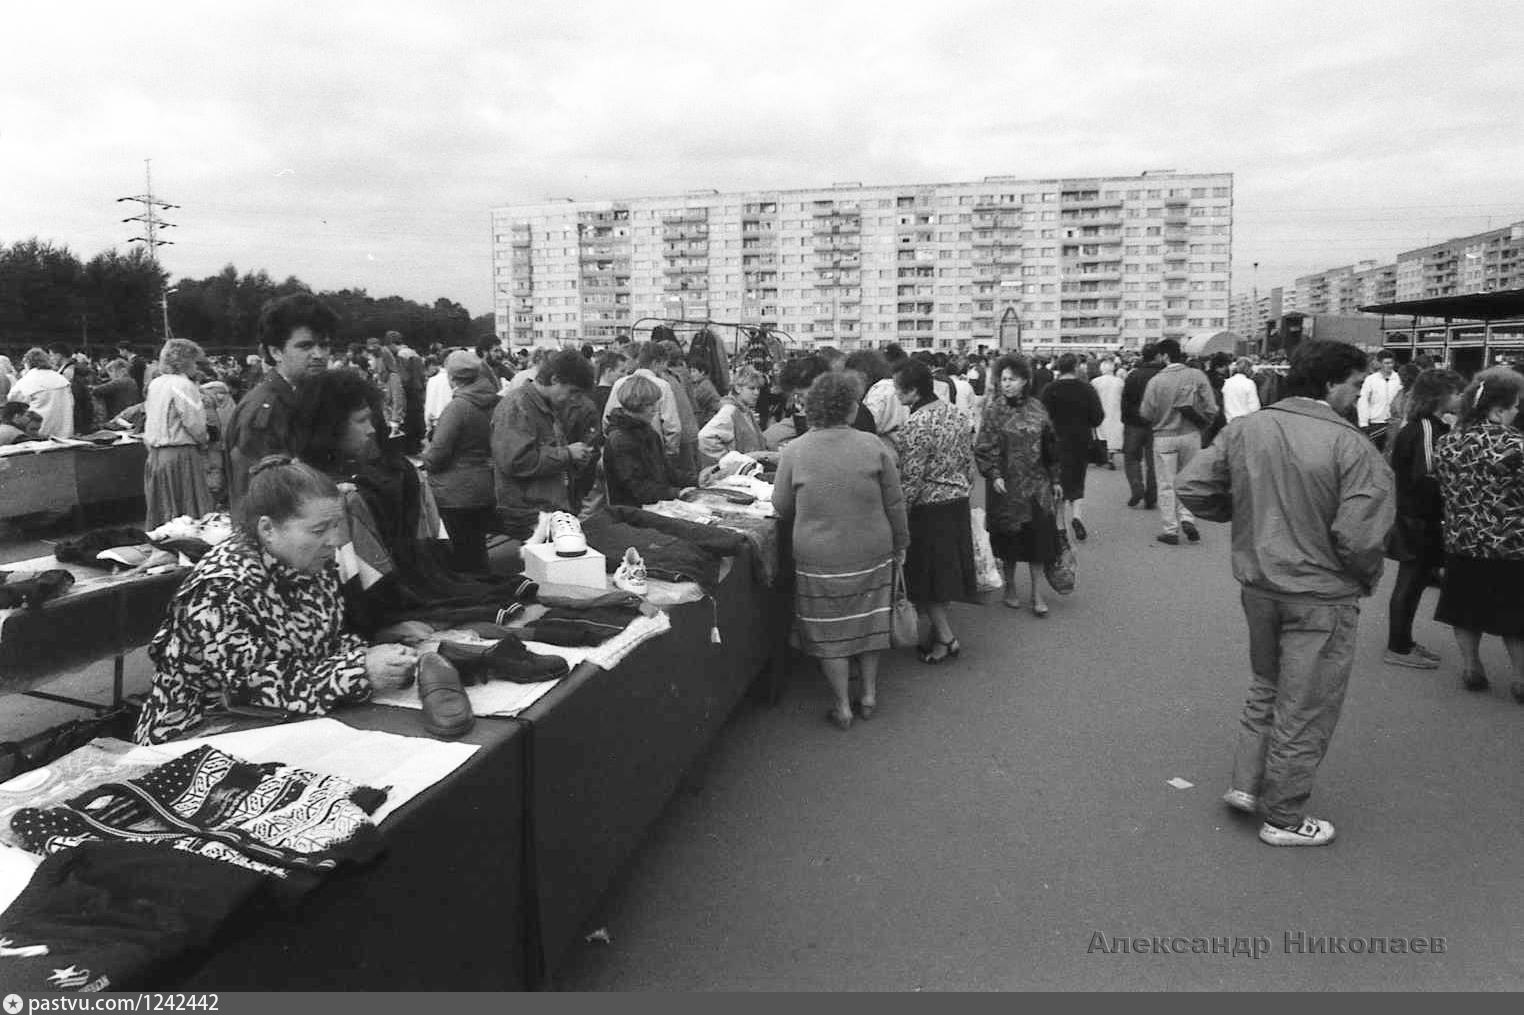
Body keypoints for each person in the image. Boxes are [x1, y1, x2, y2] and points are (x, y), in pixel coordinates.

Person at [1177, 339, 1394, 847]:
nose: (1358, 396)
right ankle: (1286, 817)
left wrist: (1244, 514)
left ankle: (1246, 784)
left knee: (1266, 686)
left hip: (1260, 585)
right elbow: (1360, 536)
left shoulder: (1246, 429)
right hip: (1321, 594)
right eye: (1356, 385)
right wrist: (1362, 578)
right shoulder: (1354, 446)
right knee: (1307, 704)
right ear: (1330, 383)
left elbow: (1193, 487)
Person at [132, 455, 420, 745]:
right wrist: (360, 670)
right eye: (319, 530)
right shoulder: (222, 588)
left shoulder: (311, 565)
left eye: (336, 526)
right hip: (196, 733)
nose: (334, 540)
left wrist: (375, 651)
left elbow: (326, 643)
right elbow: (251, 689)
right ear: (267, 529)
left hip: (282, 720)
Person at [773, 372, 908, 730]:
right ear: (850, 407)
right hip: (872, 550)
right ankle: (868, 694)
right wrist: (902, 543)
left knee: (830, 631)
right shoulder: (874, 445)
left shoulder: (794, 451)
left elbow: (781, 506)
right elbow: (895, 503)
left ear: (813, 408)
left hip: (820, 557)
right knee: (868, 622)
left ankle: (842, 706)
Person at [1431, 367, 1524, 699]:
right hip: (1511, 545)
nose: (1517, 412)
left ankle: (1472, 667)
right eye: (1516, 406)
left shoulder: (1448, 442)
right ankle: (1521, 679)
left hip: (1461, 540)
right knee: (1516, 615)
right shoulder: (1516, 445)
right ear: (1498, 409)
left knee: (1465, 608)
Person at [892, 358, 978, 664]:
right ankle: (941, 635)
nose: (895, 392)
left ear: (913, 391)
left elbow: (911, 479)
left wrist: (899, 516)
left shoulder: (915, 424)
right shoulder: (955, 414)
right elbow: (969, 463)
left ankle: (946, 638)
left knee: (926, 580)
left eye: (898, 388)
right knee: (944, 576)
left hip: (929, 508)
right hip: (957, 502)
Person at [1383, 368, 1464, 670]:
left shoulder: (1422, 426)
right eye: (1456, 392)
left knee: (1413, 581)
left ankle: (1402, 641)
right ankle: (1399, 646)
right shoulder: (1427, 429)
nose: (1461, 398)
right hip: (1418, 517)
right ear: (1440, 396)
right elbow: (1429, 473)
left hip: (1412, 514)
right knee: (1410, 581)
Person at [227, 293, 337, 505]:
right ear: (276, 352)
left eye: (324, 345)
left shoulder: (299, 395)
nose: (318, 354)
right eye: (305, 346)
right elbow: (261, 491)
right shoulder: (265, 409)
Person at [975, 355, 1061, 617]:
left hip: (1037, 487)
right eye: (1003, 379)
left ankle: (1036, 593)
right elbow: (984, 447)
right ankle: (1010, 587)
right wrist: (994, 473)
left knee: (1038, 542)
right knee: (1009, 541)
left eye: (1012, 379)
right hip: (1006, 488)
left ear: (1025, 381)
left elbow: (1050, 446)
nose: (1007, 384)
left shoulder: (1038, 408)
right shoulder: (993, 410)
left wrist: (1056, 479)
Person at [492, 348, 594, 541]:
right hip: (527, 514)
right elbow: (515, 461)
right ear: (554, 379)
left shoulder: (545, 406)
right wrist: (567, 454)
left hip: (545, 511)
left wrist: (574, 460)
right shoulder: (517, 406)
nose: (574, 399)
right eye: (573, 391)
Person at [420, 351, 500, 573]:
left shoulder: (458, 408)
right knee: (477, 550)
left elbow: (437, 457)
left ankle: (477, 599)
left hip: (454, 493)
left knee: (462, 558)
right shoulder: (494, 402)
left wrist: (426, 451)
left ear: (452, 378)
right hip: (484, 486)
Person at [1140, 338, 1217, 546]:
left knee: (1166, 484)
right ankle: (1187, 518)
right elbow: (1211, 407)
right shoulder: (1196, 375)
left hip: (1164, 436)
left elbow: (1145, 413)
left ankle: (1170, 529)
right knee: (1188, 480)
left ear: (1164, 356)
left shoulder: (1156, 381)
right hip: (1191, 435)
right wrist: (1202, 423)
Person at [142, 339, 214, 528]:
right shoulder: (184, 385)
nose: (197, 368)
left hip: (156, 455)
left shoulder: (155, 384)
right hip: (181, 454)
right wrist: (204, 440)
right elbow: (194, 422)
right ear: (186, 361)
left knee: (164, 510)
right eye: (196, 362)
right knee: (187, 512)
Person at [1042, 353, 1105, 542]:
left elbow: (1041, 418)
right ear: (1076, 367)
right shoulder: (1087, 389)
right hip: (1080, 440)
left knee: (1058, 481)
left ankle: (1060, 525)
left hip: (1055, 441)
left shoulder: (1049, 389)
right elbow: (1098, 417)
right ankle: (1077, 516)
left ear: (1058, 368)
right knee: (1078, 478)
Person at [603, 374, 682, 507]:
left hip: (653, 507)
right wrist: (675, 493)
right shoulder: (620, 440)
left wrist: (696, 479)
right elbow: (637, 488)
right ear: (636, 405)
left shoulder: (648, 432)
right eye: (650, 405)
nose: (655, 409)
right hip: (633, 513)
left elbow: (667, 471)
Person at [1120, 342, 1164, 509]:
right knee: (1153, 462)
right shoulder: (1162, 375)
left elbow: (1125, 400)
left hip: (1134, 423)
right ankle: (1151, 496)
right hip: (1156, 423)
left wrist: (1125, 420)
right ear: (1158, 356)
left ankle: (1137, 486)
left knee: (1131, 457)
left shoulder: (1133, 375)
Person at [697, 364, 768, 463]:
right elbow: (704, 437)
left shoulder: (744, 410)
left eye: (758, 388)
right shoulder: (730, 411)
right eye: (751, 388)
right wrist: (729, 460)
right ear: (738, 388)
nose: (756, 393)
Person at [8, 347, 74, 438]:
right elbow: (72, 403)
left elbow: (12, 402)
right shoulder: (62, 379)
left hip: (38, 434)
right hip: (64, 433)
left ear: (28, 363)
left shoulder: (26, 381)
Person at [1357, 352, 1402, 450]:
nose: (1390, 366)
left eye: (1391, 363)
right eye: (1386, 363)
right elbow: (1363, 401)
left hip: (1393, 422)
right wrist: (1363, 422)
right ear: (1380, 364)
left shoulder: (1399, 379)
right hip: (1376, 422)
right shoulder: (1371, 380)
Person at [1091, 357, 1124, 467]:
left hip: (1100, 410)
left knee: (1100, 434)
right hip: (1115, 410)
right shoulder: (1120, 382)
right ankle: (1111, 458)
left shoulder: (1095, 382)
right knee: (1113, 434)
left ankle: (1101, 457)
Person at [1221, 357, 1262, 422]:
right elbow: (1255, 406)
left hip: (1228, 420)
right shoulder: (1249, 383)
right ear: (1248, 369)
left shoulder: (1226, 382)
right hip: (1245, 421)